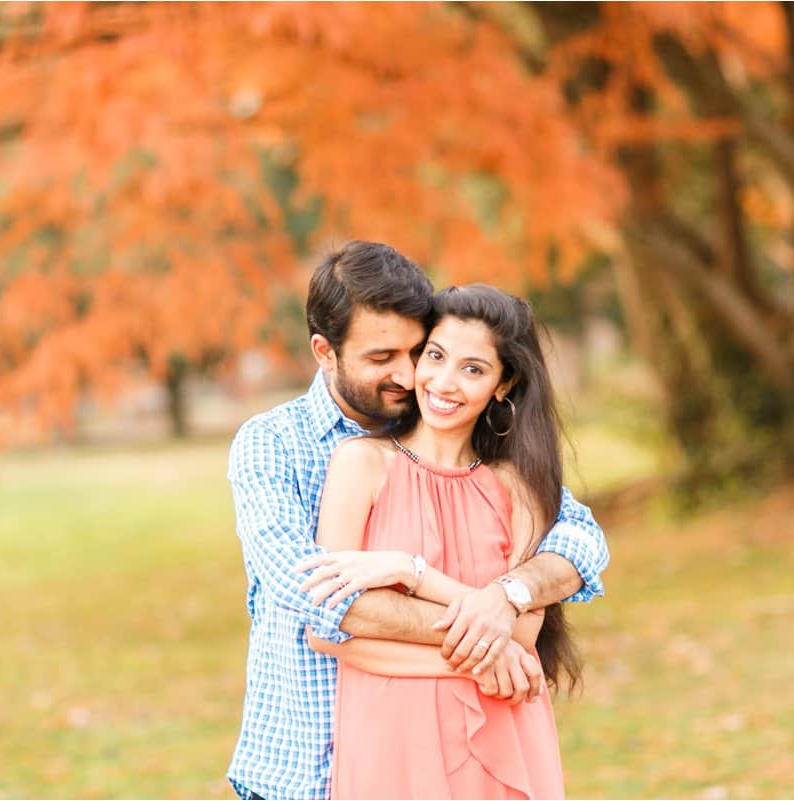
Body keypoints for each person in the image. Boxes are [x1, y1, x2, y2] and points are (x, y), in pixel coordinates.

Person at [227, 241, 608, 800]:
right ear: (324, 352)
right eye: (383, 358)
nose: (410, 377)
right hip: (305, 764)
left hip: (461, 745)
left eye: (418, 350)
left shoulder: (481, 449)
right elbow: (325, 602)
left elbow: (580, 538)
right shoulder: (275, 445)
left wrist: (503, 595)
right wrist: (492, 644)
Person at [302, 284, 573, 798]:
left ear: (503, 383)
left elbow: (523, 634)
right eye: (436, 356)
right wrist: (490, 657)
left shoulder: (519, 486)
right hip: (393, 738)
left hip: (504, 729)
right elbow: (326, 628)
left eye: (473, 368)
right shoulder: (361, 465)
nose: (443, 382)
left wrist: (413, 573)